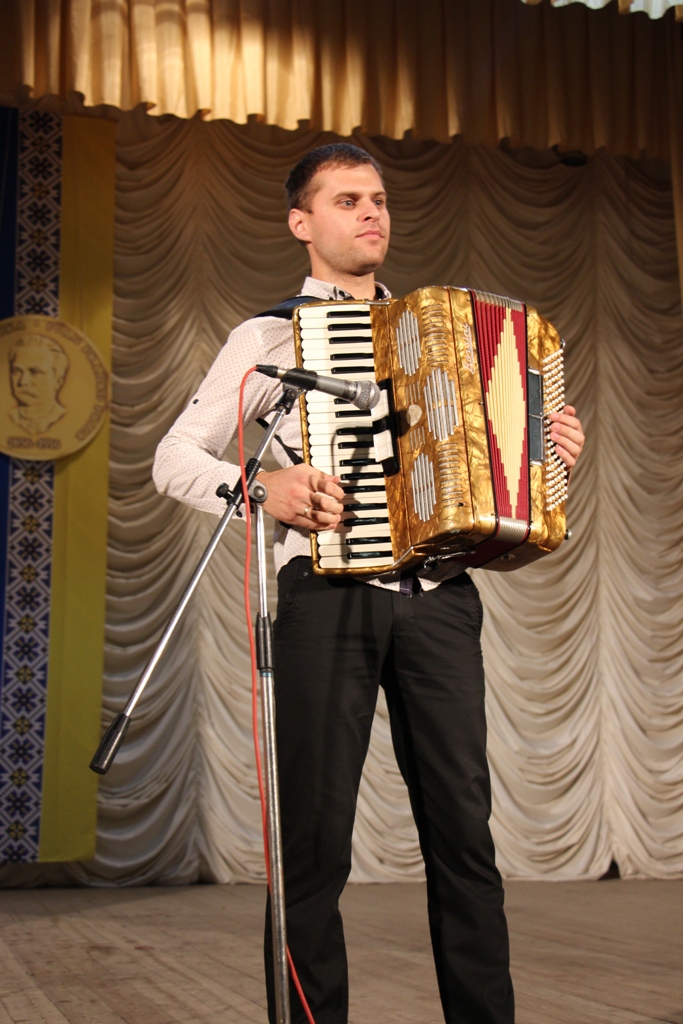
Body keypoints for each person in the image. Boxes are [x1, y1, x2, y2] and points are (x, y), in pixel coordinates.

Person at [153, 143, 585, 1024]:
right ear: (301, 223)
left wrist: (550, 457)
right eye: (347, 200)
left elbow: (496, 464)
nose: (371, 213)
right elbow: (172, 458)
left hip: (440, 600)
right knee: (313, 848)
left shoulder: (439, 331)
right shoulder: (269, 337)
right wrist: (262, 489)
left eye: (378, 199)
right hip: (325, 598)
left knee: (465, 840)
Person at [8, 334, 69, 434]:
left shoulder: (66, 418)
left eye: (35, 372)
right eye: (17, 371)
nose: (23, 381)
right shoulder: (7, 417)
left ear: (58, 381)